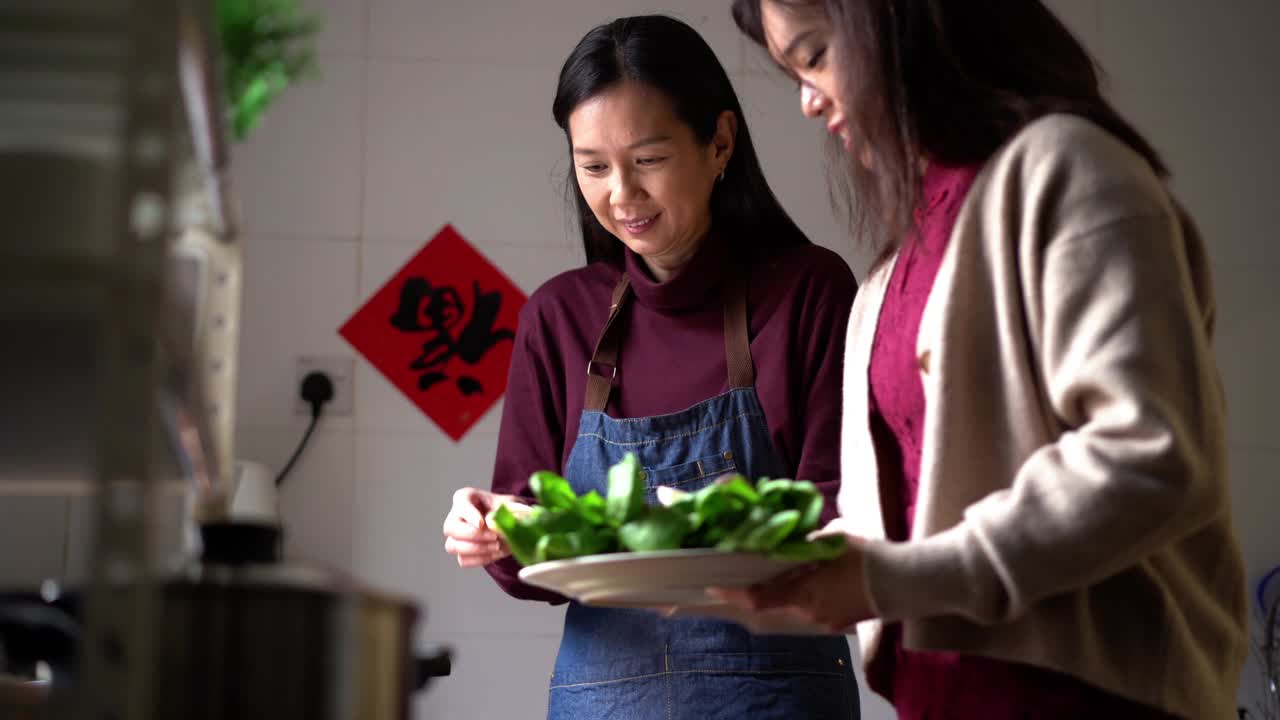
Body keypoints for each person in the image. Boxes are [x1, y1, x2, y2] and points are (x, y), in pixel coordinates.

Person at [711, 1, 1251, 719]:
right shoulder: (892, 266)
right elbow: (912, 517)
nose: (809, 101)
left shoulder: (1068, 170)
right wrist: (782, 560)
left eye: (813, 55)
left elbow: (1148, 459)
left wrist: (884, 580)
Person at [441, 14, 862, 720]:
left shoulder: (811, 293)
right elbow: (533, 554)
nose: (621, 195)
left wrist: (720, 536)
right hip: (604, 698)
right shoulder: (556, 317)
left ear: (719, 142)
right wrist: (492, 529)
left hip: (777, 697)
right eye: (594, 166)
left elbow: (847, 508)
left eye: (649, 159)